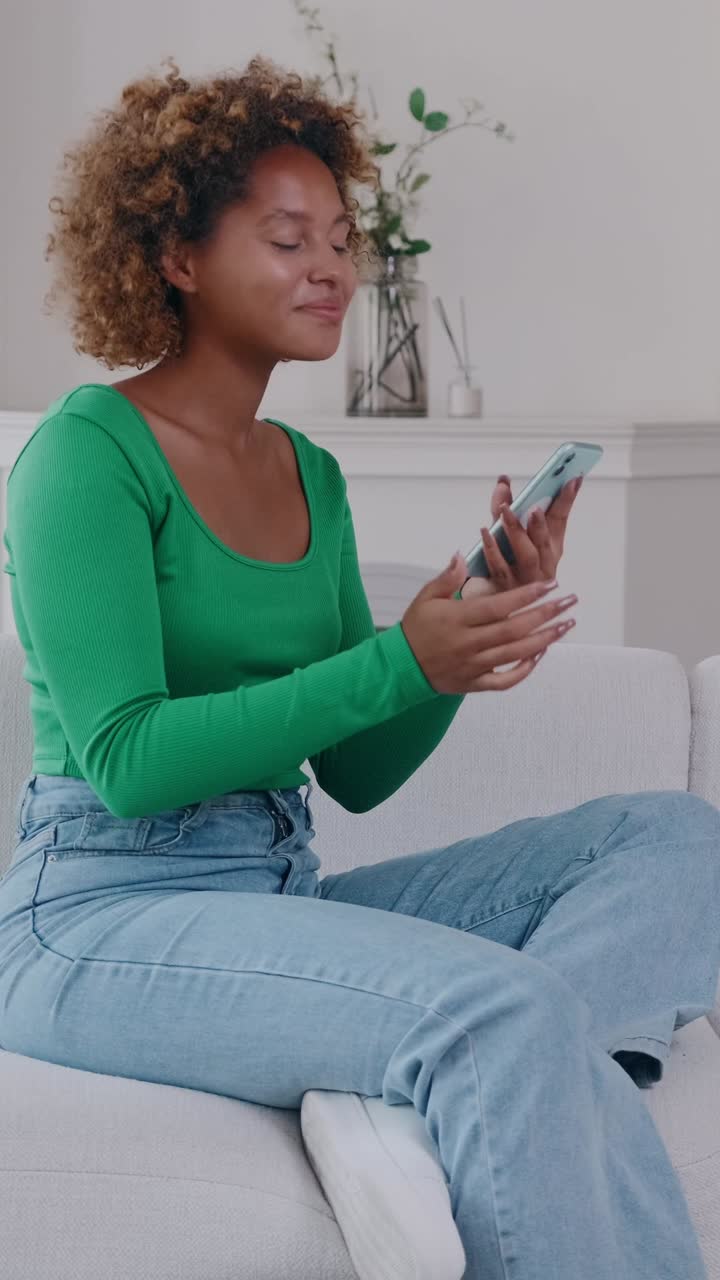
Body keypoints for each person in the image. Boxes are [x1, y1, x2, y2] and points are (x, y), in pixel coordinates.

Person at [1, 55, 718, 1280]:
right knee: (500, 1007)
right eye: (288, 239)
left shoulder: (309, 474)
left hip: (277, 895)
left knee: (677, 837)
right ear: (176, 258)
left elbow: (357, 772)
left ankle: (432, 1091)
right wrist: (398, 659)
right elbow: (126, 759)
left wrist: (459, 641)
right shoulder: (85, 455)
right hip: (99, 916)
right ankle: (463, 1065)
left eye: (340, 236)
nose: (332, 266)